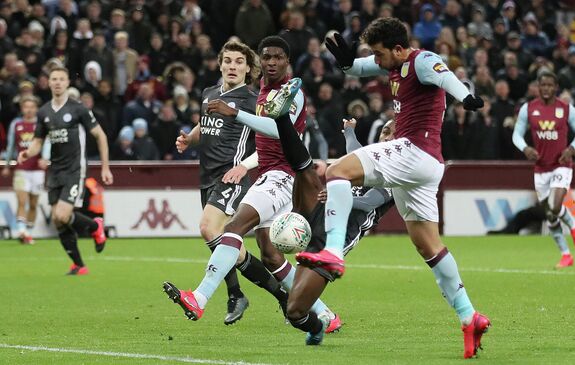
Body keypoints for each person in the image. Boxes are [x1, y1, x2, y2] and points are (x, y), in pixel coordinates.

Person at [298, 18, 490, 358]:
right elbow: (359, 69)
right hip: (424, 167)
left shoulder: (421, 60)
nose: (377, 59)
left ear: (399, 49)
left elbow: (447, 77)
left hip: (415, 150)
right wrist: (345, 63)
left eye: (380, 53)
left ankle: (332, 252)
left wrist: (467, 97)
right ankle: (468, 315)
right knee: (427, 244)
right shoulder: (394, 62)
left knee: (339, 170)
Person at [163, 37, 340, 331]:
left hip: (282, 175)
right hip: (270, 175)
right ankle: (325, 314)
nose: (272, 62)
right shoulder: (264, 91)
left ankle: (200, 296)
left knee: (231, 229)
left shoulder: (290, 91)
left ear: (287, 61)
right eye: (267, 57)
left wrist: (237, 117)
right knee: (270, 255)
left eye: (278, 57)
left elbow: (277, 128)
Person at [261, 84, 396, 345]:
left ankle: (320, 325)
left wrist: (338, 196)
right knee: (304, 170)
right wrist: (349, 132)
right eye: (384, 131)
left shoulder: (394, 175)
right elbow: (356, 150)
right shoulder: (371, 158)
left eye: (392, 133)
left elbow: (368, 203)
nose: (385, 136)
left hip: (334, 242)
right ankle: (281, 116)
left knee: (296, 310)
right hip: (318, 217)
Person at [171, 40, 289, 325]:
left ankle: (228, 294)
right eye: (227, 61)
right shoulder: (209, 93)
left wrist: (244, 166)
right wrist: (190, 137)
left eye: (239, 62)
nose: (232, 66)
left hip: (231, 177)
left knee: (207, 228)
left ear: (249, 68)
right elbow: (206, 120)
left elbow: (274, 138)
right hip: (207, 178)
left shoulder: (252, 100)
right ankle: (284, 298)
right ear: (220, 64)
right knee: (234, 252)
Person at [18, 66, 113, 275]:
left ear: (67, 82)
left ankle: (96, 227)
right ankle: (79, 264)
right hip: (55, 170)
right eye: (54, 79)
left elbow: (101, 136)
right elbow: (37, 142)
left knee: (62, 213)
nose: (58, 82)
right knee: (58, 219)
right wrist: (27, 153)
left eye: (62, 78)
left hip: (74, 170)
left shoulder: (78, 109)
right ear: (49, 83)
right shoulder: (43, 112)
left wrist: (105, 167)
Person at [512, 71, 575, 269]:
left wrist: (571, 149)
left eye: (549, 85)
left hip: (561, 164)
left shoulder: (566, 109)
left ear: (556, 88)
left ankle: (573, 226)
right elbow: (516, 135)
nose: (546, 88)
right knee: (550, 215)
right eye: (542, 85)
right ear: (538, 87)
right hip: (540, 168)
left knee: (555, 206)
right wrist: (526, 148)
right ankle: (566, 255)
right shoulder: (528, 109)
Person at [2, 96, 50, 244]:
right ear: (22, 109)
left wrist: (45, 158)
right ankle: (22, 231)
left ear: (36, 109)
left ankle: (28, 232)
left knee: (34, 203)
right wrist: (7, 165)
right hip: (21, 168)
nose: (29, 110)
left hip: (37, 170)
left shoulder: (42, 125)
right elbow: (11, 146)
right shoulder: (16, 125)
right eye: (26, 107)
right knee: (22, 201)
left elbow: (47, 143)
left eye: (32, 107)